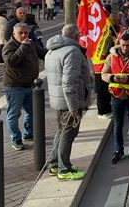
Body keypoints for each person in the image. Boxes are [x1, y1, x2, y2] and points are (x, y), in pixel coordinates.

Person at [45, 24, 90, 180]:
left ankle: (55, 164)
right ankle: (64, 169)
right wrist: (73, 107)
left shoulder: (52, 49)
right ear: (77, 36)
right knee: (69, 133)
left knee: (60, 131)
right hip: (69, 100)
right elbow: (69, 82)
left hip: (57, 99)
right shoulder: (72, 51)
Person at [101, 33, 129, 164]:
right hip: (117, 95)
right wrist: (112, 78)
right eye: (122, 45)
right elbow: (104, 74)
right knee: (118, 125)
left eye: (127, 45)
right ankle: (118, 150)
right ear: (118, 43)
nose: (125, 48)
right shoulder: (111, 57)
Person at [2, 23, 47, 150]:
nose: (23, 35)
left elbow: (43, 53)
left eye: (26, 33)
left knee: (31, 111)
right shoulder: (9, 47)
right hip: (15, 86)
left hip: (30, 84)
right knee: (14, 113)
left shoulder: (31, 43)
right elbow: (12, 61)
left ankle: (28, 134)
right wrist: (23, 46)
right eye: (20, 33)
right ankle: (15, 139)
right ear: (13, 34)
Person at [93, 12, 121, 118]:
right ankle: (102, 111)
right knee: (102, 90)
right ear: (112, 20)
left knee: (104, 89)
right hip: (102, 66)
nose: (118, 22)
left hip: (100, 65)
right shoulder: (107, 36)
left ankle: (105, 108)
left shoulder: (106, 33)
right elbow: (105, 52)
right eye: (116, 20)